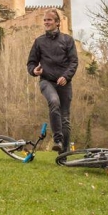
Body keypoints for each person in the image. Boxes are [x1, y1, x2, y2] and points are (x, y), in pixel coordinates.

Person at [27, 9, 79, 153]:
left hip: (64, 84)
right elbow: (31, 63)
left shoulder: (68, 40)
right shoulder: (39, 42)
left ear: (57, 23)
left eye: (49, 20)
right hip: (47, 82)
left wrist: (66, 76)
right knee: (54, 101)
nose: (46, 22)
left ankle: (64, 153)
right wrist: (34, 71)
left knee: (65, 120)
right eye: (44, 20)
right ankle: (57, 139)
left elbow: (74, 62)